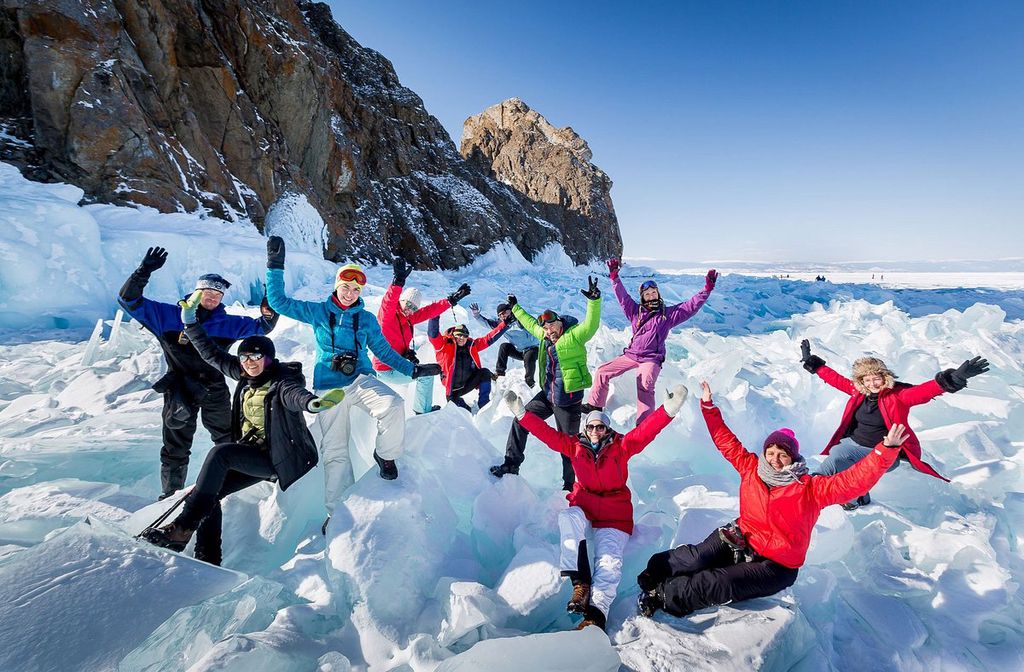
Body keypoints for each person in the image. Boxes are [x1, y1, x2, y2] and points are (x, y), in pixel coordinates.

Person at [637, 381, 910, 619]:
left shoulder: (810, 488)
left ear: (793, 458)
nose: (775, 459)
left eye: (783, 454)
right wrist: (709, 408)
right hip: (741, 535)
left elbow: (853, 482)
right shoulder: (751, 468)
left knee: (717, 582)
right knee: (695, 557)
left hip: (776, 565)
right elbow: (725, 441)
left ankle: (663, 597)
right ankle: (655, 572)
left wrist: (885, 451)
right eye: (771, 452)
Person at [140, 291, 340, 564]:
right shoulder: (246, 374)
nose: (249, 362)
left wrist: (311, 403)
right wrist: (190, 322)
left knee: (220, 453)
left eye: (256, 357)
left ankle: (182, 528)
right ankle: (208, 556)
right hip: (254, 453)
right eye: (244, 357)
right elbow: (210, 352)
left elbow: (294, 394)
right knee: (207, 492)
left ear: (267, 358)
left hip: (279, 457)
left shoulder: (282, 381)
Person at [264, 237, 441, 525]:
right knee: (335, 453)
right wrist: (275, 266)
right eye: (346, 287)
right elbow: (278, 302)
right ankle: (335, 515)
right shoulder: (318, 312)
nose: (350, 293)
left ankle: (385, 455)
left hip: (360, 380)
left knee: (393, 404)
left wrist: (413, 371)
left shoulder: (367, 319)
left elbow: (383, 351)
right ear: (337, 286)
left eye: (356, 289)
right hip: (328, 387)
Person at [504, 384, 687, 631]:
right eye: (590, 427)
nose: (595, 431)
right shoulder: (574, 446)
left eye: (600, 427)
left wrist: (668, 410)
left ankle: (595, 616)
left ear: (607, 429)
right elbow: (546, 433)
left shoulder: (622, 446)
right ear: (585, 429)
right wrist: (522, 414)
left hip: (614, 514)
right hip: (585, 506)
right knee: (568, 517)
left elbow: (646, 432)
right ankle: (580, 585)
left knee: (609, 563)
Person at [118, 246, 278, 499]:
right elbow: (128, 300)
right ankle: (170, 496)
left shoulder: (227, 323)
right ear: (196, 291)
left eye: (218, 294)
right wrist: (143, 272)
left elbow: (264, 325)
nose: (213, 297)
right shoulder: (168, 316)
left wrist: (270, 305)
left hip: (214, 389)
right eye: (208, 292)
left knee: (227, 439)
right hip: (179, 389)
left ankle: (232, 489)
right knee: (175, 447)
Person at [800, 339, 989, 508]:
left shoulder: (898, 396)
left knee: (838, 456)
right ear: (861, 381)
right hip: (855, 445)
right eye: (867, 380)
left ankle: (813, 489)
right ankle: (856, 495)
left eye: (876, 378)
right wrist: (812, 363)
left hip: (884, 452)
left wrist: (954, 378)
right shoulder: (858, 392)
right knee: (841, 456)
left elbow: (924, 391)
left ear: (885, 377)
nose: (872, 384)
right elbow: (835, 379)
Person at [489, 277, 602, 491]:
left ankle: (570, 486)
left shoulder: (574, 336)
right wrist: (515, 307)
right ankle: (511, 465)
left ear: (560, 323)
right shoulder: (545, 336)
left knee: (569, 447)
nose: (549, 331)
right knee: (521, 421)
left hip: (568, 401)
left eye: (552, 326)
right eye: (546, 328)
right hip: (547, 397)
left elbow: (591, 324)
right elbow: (530, 322)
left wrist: (594, 301)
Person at [583, 259, 716, 424]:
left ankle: (644, 423)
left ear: (658, 294)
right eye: (647, 294)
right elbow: (622, 297)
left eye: (654, 293)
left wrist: (707, 289)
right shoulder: (635, 312)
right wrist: (614, 277)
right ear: (643, 298)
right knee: (602, 371)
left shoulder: (668, 315)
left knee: (645, 384)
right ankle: (595, 406)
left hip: (651, 358)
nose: (651, 296)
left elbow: (690, 306)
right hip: (632, 355)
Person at [374, 257, 470, 415]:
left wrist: (451, 301)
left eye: (414, 308)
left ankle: (421, 408)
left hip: (397, 364)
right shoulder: (388, 317)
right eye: (408, 304)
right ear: (401, 301)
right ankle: (422, 412)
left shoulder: (409, 318)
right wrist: (398, 283)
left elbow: (429, 311)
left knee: (429, 370)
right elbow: (388, 302)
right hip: (385, 369)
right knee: (425, 376)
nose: (410, 310)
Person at [427, 318, 507, 412]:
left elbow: (489, 339)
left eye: (464, 336)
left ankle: (484, 405)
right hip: (453, 389)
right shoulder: (444, 345)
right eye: (459, 335)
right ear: (454, 335)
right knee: (460, 410)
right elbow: (433, 335)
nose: (461, 338)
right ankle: (461, 403)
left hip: (468, 383)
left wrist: (505, 324)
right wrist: (434, 316)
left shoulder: (471, 345)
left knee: (484, 373)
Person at [471, 301, 540, 387]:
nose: (502, 316)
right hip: (519, 351)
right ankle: (499, 374)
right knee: (504, 347)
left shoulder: (520, 320)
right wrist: (476, 315)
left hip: (534, 349)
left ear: (510, 311)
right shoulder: (501, 324)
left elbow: (532, 322)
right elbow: (486, 323)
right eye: (500, 315)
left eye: (504, 313)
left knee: (529, 356)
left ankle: (529, 383)